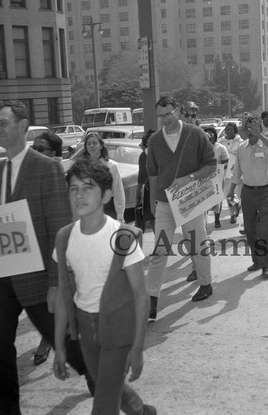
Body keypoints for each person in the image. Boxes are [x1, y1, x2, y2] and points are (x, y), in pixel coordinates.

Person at [0, 100, 90, 415]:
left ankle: (108, 382)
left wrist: (55, 282)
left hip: (38, 277)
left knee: (66, 343)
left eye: (3, 123)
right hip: (4, 276)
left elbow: (61, 227)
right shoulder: (0, 170)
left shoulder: (46, 168)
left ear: (22, 126)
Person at [53, 158, 156, 415]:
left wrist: (138, 348)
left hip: (119, 330)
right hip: (86, 330)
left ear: (107, 194)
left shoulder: (121, 237)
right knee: (107, 385)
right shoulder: (65, 237)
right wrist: (60, 347)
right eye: (74, 188)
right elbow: (64, 296)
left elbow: (141, 296)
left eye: (88, 188)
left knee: (103, 404)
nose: (79, 195)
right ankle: (142, 412)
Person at [147, 96, 216, 319]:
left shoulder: (195, 134)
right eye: (160, 116)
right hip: (165, 204)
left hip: (190, 201)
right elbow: (153, 175)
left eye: (168, 114)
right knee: (160, 250)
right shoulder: (155, 140)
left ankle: (205, 284)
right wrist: (153, 203)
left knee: (197, 244)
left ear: (178, 111)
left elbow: (211, 165)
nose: (164, 119)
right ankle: (151, 299)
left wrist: (190, 178)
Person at [228, 116, 268, 279]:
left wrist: (259, 134)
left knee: (264, 229)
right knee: (249, 229)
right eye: (248, 128)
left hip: (265, 192)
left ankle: (265, 264)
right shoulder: (242, 148)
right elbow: (237, 172)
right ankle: (257, 260)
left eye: (254, 127)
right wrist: (231, 190)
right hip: (247, 192)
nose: (251, 131)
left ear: (260, 128)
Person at [32, 131, 64, 366]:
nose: (35, 152)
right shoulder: (28, 174)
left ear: (54, 154)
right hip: (35, 247)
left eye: (41, 149)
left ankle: (49, 342)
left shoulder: (61, 173)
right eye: (33, 147)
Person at [83, 131, 125, 221]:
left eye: (94, 143)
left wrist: (120, 215)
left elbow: (118, 191)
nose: (91, 146)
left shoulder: (111, 166)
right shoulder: (83, 166)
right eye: (88, 144)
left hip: (108, 209)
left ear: (101, 146)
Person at [204, 126, 229, 228]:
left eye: (211, 133)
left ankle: (217, 220)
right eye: (207, 134)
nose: (209, 136)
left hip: (218, 178)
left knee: (217, 200)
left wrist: (221, 170)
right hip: (204, 179)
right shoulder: (200, 148)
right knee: (204, 201)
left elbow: (225, 161)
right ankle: (204, 223)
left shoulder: (220, 148)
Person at [219, 122, 243, 223]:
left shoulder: (241, 142)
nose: (229, 131)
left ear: (235, 131)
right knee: (229, 193)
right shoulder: (221, 142)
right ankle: (233, 212)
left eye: (231, 130)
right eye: (227, 129)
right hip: (225, 171)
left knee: (237, 193)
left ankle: (236, 208)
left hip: (237, 170)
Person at [136, 129, 156, 232]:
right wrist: (138, 193)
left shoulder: (162, 155)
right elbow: (141, 175)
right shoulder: (143, 156)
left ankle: (163, 244)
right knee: (152, 219)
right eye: (149, 140)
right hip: (148, 191)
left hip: (161, 191)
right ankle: (159, 244)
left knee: (163, 220)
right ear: (146, 142)